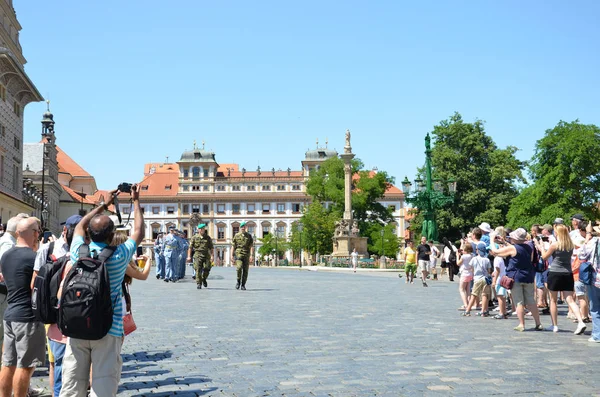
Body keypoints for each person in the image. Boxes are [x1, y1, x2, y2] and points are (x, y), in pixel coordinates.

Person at [59, 184, 145, 397]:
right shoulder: (119, 256)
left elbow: (79, 226)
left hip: (77, 324)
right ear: (112, 235)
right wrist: (135, 200)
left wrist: (102, 206)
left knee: (72, 384)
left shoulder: (78, 251)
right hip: (109, 327)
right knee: (103, 384)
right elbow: (138, 232)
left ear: (89, 232)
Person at [32, 215, 81, 397]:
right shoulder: (48, 248)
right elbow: (36, 283)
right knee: (56, 362)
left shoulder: (83, 250)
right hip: (53, 317)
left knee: (75, 362)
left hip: (77, 315)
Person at [0, 217, 46, 397]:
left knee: (8, 363)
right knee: (25, 366)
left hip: (10, 314)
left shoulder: (6, 255)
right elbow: (36, 287)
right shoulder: (33, 258)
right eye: (37, 231)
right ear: (34, 233)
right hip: (27, 317)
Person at [535, 224, 586, 335]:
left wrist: (541, 247)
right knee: (570, 300)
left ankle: (555, 325)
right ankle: (581, 321)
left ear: (558, 233)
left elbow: (544, 257)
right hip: (567, 273)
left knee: (552, 300)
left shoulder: (555, 245)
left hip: (555, 273)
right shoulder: (570, 245)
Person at [489, 228, 542, 332]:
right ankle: (538, 323)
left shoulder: (513, 248)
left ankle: (521, 324)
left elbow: (495, 252)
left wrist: (492, 240)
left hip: (516, 277)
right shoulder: (529, 246)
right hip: (528, 276)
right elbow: (516, 249)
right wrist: (504, 242)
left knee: (519, 301)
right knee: (531, 301)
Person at [188, 224, 213, 289]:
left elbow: (211, 248)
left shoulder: (208, 238)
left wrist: (212, 256)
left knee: (207, 268)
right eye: (201, 229)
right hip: (197, 255)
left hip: (206, 255)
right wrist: (189, 256)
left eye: (203, 229)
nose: (202, 230)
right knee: (197, 269)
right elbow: (190, 247)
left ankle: (204, 279)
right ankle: (199, 283)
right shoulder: (194, 237)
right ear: (198, 230)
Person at [231, 222, 253, 290]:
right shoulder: (236, 235)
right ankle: (238, 281)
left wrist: (251, 255)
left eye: (244, 227)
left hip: (246, 254)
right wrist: (231, 255)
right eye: (242, 227)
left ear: (246, 227)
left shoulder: (249, 236)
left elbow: (251, 246)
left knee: (246, 271)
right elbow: (233, 246)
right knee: (239, 267)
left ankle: (243, 284)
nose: (243, 228)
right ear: (240, 227)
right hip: (239, 254)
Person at [457, 244, 474, 310]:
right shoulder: (472, 255)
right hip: (470, 272)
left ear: (466, 250)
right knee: (468, 290)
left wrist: (457, 256)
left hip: (464, 273)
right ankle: (469, 304)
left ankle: (465, 304)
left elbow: (458, 263)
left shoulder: (464, 256)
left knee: (461, 289)